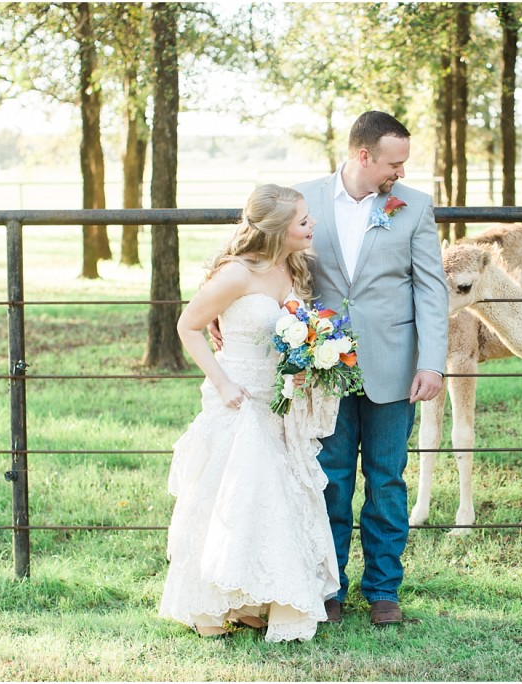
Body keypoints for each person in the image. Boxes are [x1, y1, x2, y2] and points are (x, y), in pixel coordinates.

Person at [159, 184, 340, 642]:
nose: (311, 224)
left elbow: (291, 334)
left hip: (278, 400)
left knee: (274, 498)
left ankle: (251, 599)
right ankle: (210, 605)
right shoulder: (238, 274)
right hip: (238, 398)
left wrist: (301, 368)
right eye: (302, 220)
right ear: (279, 229)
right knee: (230, 498)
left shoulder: (294, 269)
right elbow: (188, 326)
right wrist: (221, 382)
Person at [297, 110, 448, 626]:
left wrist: (432, 362)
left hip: (395, 368)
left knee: (387, 481)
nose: (400, 172)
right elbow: (262, 260)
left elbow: (431, 288)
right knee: (331, 481)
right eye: (394, 162)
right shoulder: (304, 201)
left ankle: (384, 590)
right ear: (363, 156)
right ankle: (329, 588)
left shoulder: (415, 208)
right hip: (325, 368)